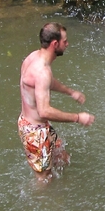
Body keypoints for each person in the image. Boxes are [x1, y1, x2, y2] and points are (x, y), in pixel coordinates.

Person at [19, 22, 95, 183]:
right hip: (35, 132)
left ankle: (67, 185)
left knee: (62, 157)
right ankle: (43, 203)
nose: (67, 44)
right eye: (65, 41)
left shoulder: (34, 57)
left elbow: (47, 82)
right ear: (55, 44)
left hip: (39, 126)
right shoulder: (42, 71)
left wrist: (70, 92)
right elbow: (44, 111)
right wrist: (77, 117)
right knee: (45, 179)